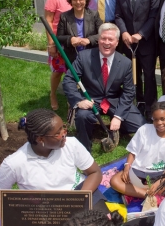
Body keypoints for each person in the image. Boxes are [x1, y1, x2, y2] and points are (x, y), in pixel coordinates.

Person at [0, 109, 106, 217]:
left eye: (63, 127)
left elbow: (94, 172)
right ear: (40, 139)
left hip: (80, 192)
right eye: (58, 133)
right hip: (46, 208)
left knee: (101, 221)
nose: (64, 133)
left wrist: (79, 198)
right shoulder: (14, 164)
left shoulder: (71, 145)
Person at [62, 23, 146, 152]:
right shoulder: (84, 57)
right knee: (83, 117)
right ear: (98, 39)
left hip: (114, 100)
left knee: (140, 124)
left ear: (117, 42)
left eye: (110, 39)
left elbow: (129, 92)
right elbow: (68, 80)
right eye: (103, 38)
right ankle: (84, 148)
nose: (106, 42)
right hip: (91, 99)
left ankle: (115, 126)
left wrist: (118, 117)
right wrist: (78, 101)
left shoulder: (125, 63)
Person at [115, 0, 160, 120]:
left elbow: (154, 15)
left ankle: (150, 107)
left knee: (148, 76)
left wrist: (140, 34)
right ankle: (136, 105)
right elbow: (118, 15)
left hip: (146, 42)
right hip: (128, 43)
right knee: (132, 76)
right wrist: (125, 33)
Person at [110, 101, 165, 199]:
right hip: (138, 171)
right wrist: (127, 167)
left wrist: (158, 183)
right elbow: (133, 152)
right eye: (155, 120)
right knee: (115, 181)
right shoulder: (144, 130)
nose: (159, 123)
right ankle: (147, 194)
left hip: (159, 175)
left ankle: (135, 192)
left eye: (163, 119)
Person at [45, 0, 77, 110]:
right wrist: (51, 43)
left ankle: (72, 97)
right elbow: (48, 20)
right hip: (59, 42)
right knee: (57, 72)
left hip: (75, 42)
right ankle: (53, 94)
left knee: (75, 71)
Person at [56, 0, 103, 64]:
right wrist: (70, 39)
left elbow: (102, 34)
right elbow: (59, 37)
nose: (78, 2)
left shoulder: (94, 15)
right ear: (70, 0)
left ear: (86, 0)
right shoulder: (64, 16)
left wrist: (89, 40)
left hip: (91, 56)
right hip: (72, 57)